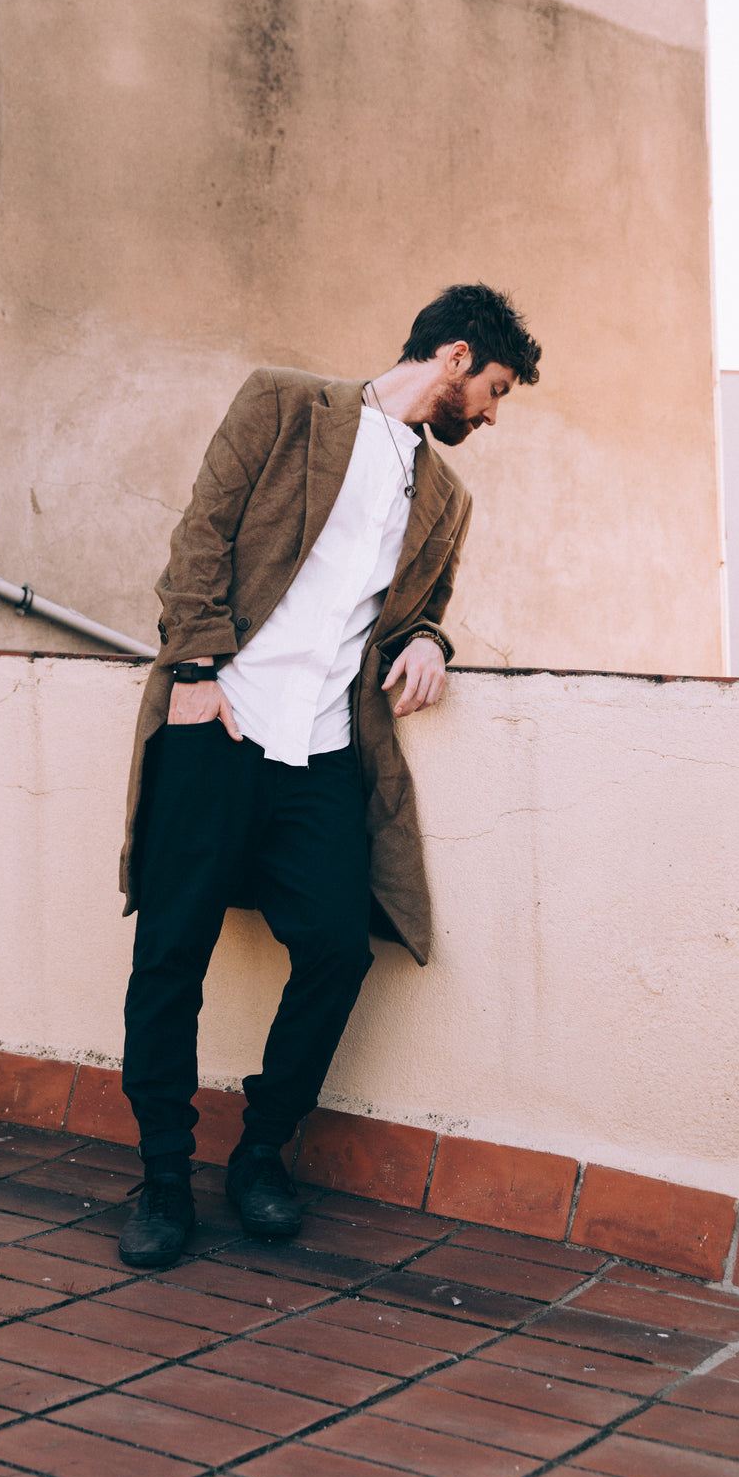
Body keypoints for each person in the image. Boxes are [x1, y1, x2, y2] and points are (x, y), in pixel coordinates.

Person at [117, 282, 541, 1268]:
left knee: (339, 947)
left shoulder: (445, 498)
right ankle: (164, 1177)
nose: (490, 411)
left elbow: (421, 604)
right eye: (495, 388)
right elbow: (201, 538)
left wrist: (430, 636)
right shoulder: (282, 404)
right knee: (171, 953)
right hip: (215, 720)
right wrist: (192, 668)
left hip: (321, 748)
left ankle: (261, 1149)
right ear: (455, 355)